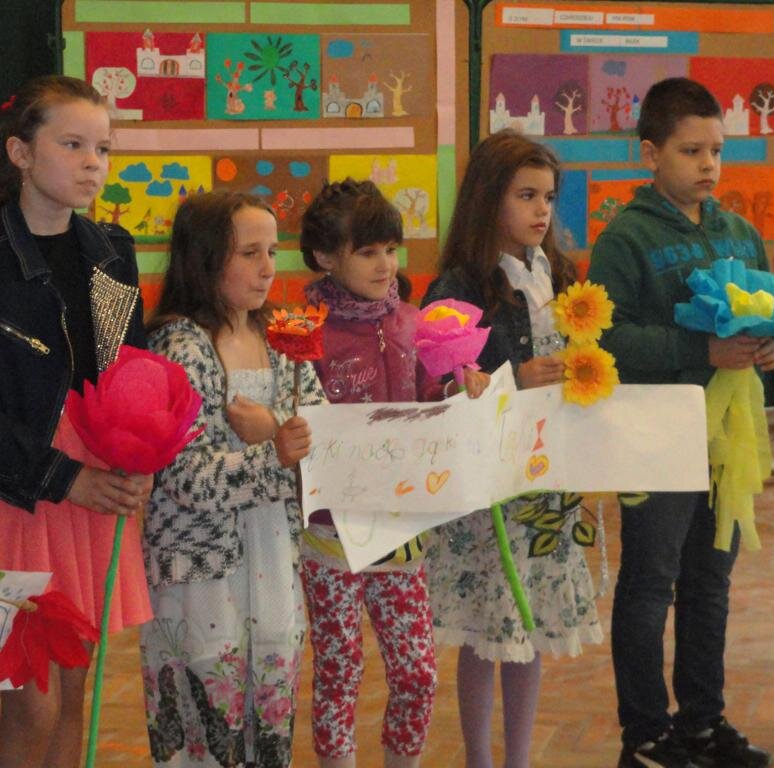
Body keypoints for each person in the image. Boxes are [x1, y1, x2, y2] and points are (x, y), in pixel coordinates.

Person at [587, 77, 774, 768]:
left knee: (709, 583)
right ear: (650, 154)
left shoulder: (740, 233)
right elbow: (608, 340)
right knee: (649, 582)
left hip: (727, 436)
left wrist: (772, 347)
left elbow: (771, 313)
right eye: (691, 150)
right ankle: (644, 734)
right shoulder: (625, 237)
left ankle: (702, 722)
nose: (708, 165)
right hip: (655, 433)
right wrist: (701, 350)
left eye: (716, 151)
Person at [422, 129, 602, 768]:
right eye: (526, 195)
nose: (541, 210)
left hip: (546, 473)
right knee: (487, 629)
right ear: (488, 199)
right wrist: (511, 378)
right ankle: (480, 758)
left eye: (548, 197)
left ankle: (518, 758)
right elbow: (442, 380)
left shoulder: (561, 275)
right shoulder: (461, 285)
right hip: (489, 484)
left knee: (530, 627)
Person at [297, 178, 489, 768]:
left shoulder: (412, 321)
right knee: (340, 669)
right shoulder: (304, 333)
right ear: (325, 257)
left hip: (401, 526)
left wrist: (459, 387)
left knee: (418, 671)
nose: (385, 264)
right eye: (367, 252)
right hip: (331, 533)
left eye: (391, 249)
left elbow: (431, 394)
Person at [0, 75, 153, 768]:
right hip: (20, 488)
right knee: (29, 701)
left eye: (103, 148)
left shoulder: (112, 253)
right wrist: (63, 478)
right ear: (20, 152)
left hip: (92, 483)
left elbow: (134, 374)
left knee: (72, 688)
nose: (94, 163)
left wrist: (140, 457)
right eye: (72, 145)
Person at [139, 190, 320, 767]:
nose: (268, 268)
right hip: (201, 571)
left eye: (272, 251)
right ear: (204, 259)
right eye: (249, 253)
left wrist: (275, 433)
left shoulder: (285, 338)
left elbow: (321, 435)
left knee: (269, 708)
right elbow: (184, 476)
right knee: (208, 725)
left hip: (274, 558)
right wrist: (276, 455)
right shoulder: (178, 346)